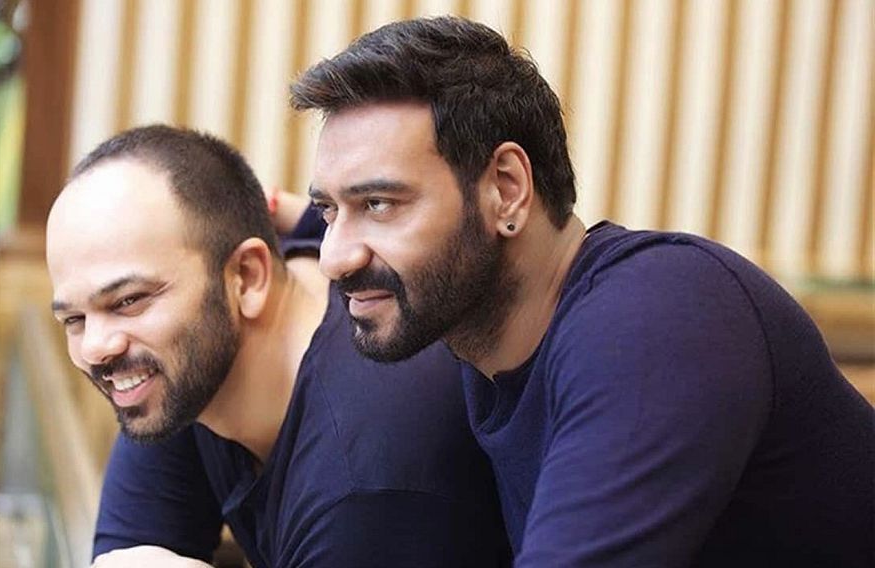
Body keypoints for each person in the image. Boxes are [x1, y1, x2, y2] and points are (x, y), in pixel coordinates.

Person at [289, 16, 875, 567]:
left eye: (379, 204)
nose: (336, 258)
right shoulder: (475, 305)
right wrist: (292, 219)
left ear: (507, 189)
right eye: (330, 209)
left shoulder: (653, 321)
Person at [45, 125, 511, 567]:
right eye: (74, 319)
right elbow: (132, 550)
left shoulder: (363, 486)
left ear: (247, 277)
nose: (96, 348)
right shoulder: (189, 362)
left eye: (128, 301)